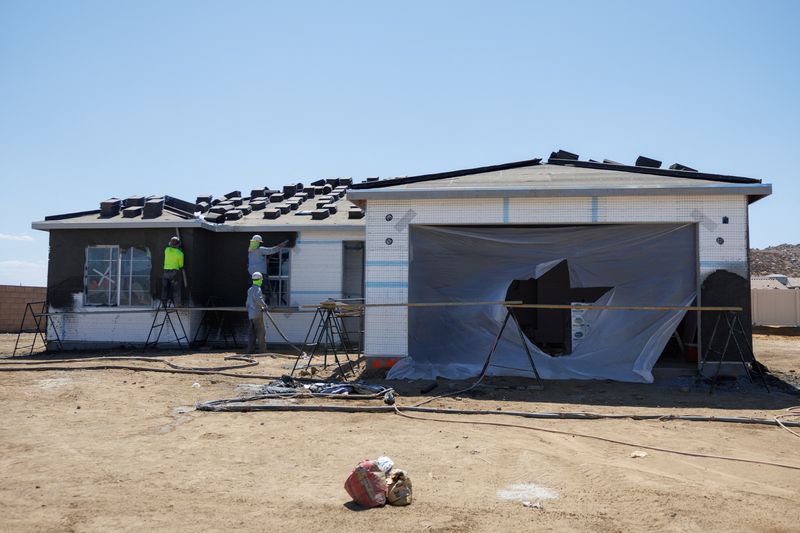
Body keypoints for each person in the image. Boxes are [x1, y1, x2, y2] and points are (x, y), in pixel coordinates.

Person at [247, 234, 290, 299]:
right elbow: (271, 250)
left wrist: (264, 260)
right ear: (258, 242)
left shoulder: (250, 251)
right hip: (260, 273)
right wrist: (281, 245)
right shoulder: (260, 250)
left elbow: (257, 259)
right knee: (263, 289)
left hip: (251, 273)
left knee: (253, 289)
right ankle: (262, 304)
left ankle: (254, 302)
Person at [246, 272, 268, 354]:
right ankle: (262, 351)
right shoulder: (257, 289)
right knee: (261, 332)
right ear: (259, 280)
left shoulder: (250, 289)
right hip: (257, 315)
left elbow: (247, 303)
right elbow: (258, 299)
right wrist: (264, 306)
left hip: (251, 315)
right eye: (261, 280)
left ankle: (250, 350)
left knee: (252, 333)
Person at [162, 236, 184, 305]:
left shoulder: (166, 250)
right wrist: (180, 252)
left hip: (166, 272)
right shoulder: (180, 254)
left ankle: (164, 305)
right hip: (174, 273)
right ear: (178, 244)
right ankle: (177, 304)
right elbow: (181, 265)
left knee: (165, 288)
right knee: (176, 289)